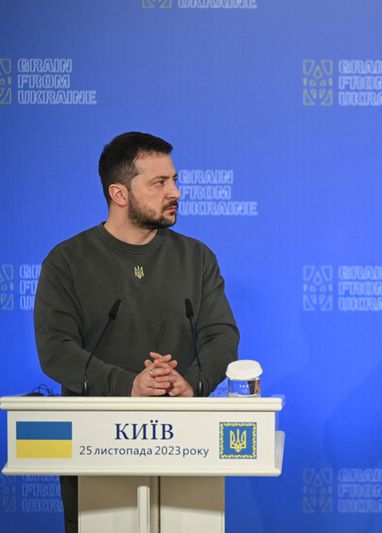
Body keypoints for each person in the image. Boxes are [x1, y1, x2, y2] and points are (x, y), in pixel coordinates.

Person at [33, 132, 239, 532]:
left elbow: (222, 335)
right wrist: (129, 385)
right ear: (119, 193)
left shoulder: (197, 257)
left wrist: (191, 381)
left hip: (185, 444)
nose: (175, 192)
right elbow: (55, 350)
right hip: (94, 447)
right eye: (159, 183)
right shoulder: (66, 261)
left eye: (175, 180)